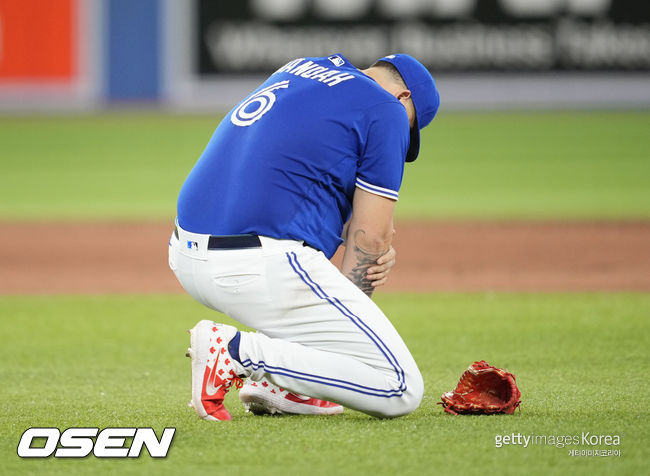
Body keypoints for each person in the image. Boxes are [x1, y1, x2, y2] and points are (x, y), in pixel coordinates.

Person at [169, 53, 440, 420]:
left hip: (186, 254)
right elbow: (371, 238)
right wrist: (373, 254)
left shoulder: (300, 68)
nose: (402, 134)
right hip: (257, 265)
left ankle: (281, 383)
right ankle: (236, 351)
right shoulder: (387, 108)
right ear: (404, 97)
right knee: (400, 389)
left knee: (312, 276)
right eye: (410, 127)